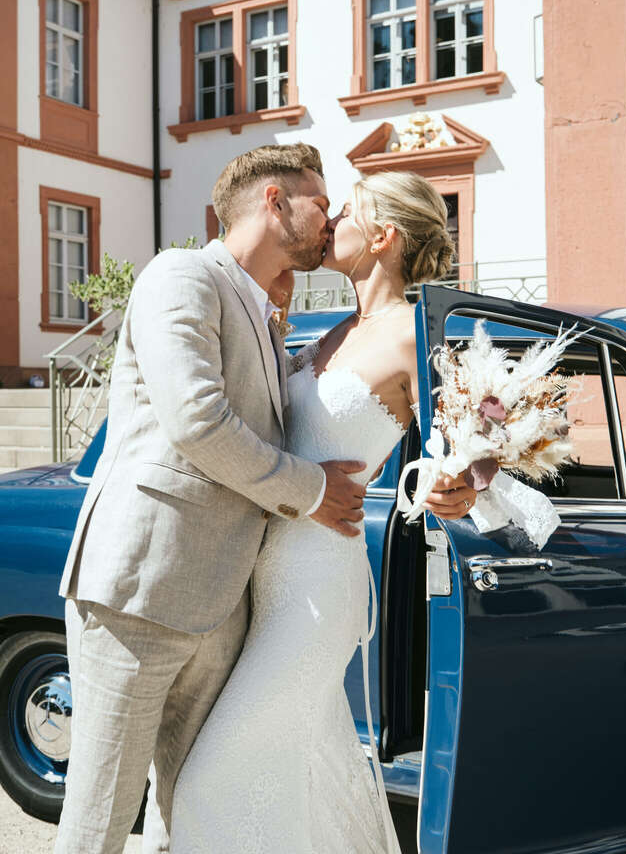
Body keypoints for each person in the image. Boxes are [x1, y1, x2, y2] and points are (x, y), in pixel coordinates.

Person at [55, 144, 377, 854]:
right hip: (139, 591)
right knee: (101, 817)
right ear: (273, 202)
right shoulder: (181, 275)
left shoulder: (262, 308)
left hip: (225, 601)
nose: (329, 220)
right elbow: (196, 420)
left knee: (193, 812)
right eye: (320, 203)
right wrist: (314, 490)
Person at [170, 170, 477, 854]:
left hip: (318, 587)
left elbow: (476, 445)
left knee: (211, 779)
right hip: (259, 576)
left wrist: (462, 482)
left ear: (384, 236)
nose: (328, 221)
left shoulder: (414, 336)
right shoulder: (335, 330)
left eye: (346, 212)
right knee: (300, 772)